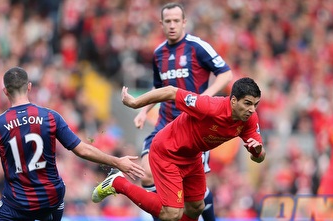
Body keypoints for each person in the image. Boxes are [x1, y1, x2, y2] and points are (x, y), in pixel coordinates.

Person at [0, 67, 145, 221]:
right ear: (29, 87)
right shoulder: (50, 117)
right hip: (51, 200)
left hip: (18, 204)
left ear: (5, 91)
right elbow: (82, 150)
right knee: (54, 202)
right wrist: (117, 161)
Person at [92, 77, 265, 221]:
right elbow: (171, 91)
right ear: (233, 100)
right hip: (167, 151)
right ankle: (118, 182)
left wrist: (257, 152)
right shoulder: (210, 106)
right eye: (248, 103)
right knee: (172, 213)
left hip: (192, 157)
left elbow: (259, 157)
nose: (251, 110)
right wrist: (136, 103)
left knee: (196, 207)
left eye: (255, 105)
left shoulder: (249, 120)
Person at [133, 2, 232, 220]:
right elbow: (158, 88)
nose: (172, 25)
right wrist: (143, 110)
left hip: (193, 129)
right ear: (161, 24)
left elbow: (225, 73)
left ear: (184, 22)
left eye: (176, 21)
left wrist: (207, 96)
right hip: (164, 125)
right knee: (146, 174)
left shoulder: (198, 47)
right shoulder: (158, 53)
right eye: (167, 21)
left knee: (193, 200)